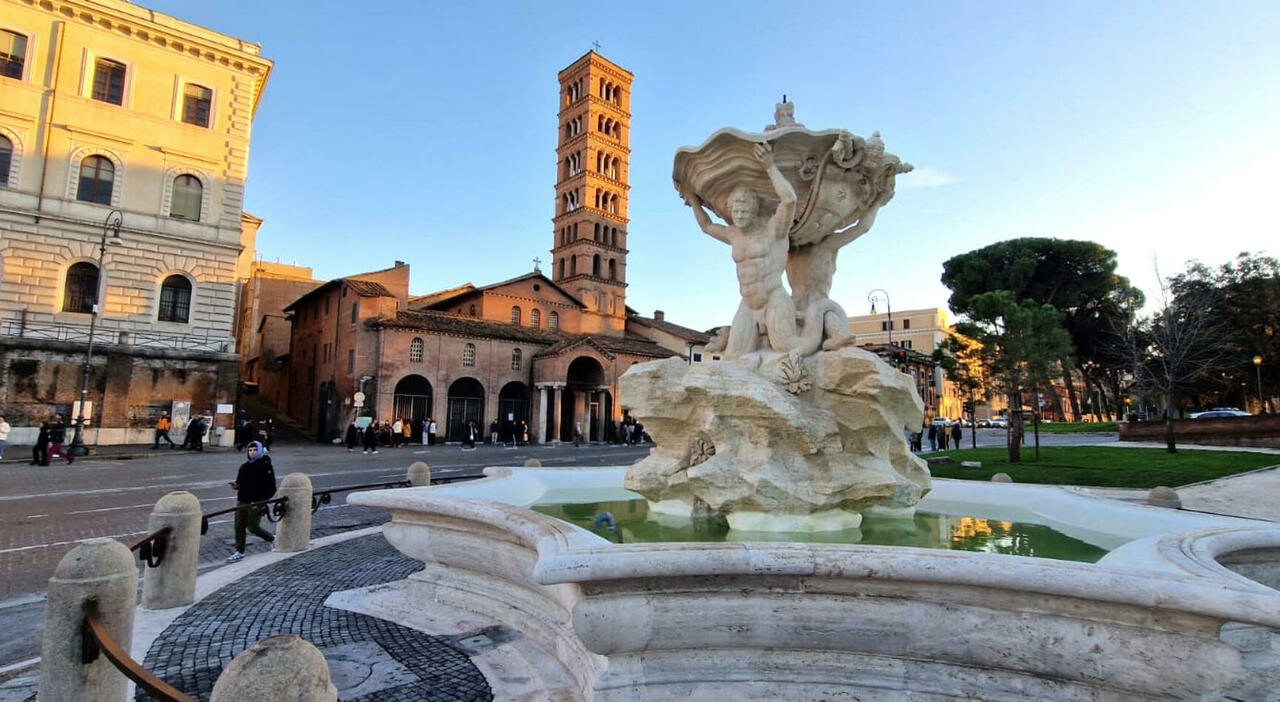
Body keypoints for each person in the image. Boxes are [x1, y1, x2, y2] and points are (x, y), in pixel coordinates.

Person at [682, 142, 799, 359]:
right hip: (747, 303)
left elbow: (790, 200)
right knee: (732, 357)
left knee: (787, 348)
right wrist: (693, 200)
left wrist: (770, 166)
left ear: (754, 210)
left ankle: (817, 332)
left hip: (773, 297)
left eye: (744, 210)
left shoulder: (773, 229)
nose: (740, 215)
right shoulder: (734, 233)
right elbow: (707, 227)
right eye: (736, 210)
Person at [226, 440, 276, 562]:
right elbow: (241, 482)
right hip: (242, 500)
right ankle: (239, 551)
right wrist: (236, 486)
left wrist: (261, 502)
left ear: (259, 451)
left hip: (256, 503)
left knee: (253, 527)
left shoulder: (265, 465)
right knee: (239, 526)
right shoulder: (244, 466)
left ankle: (273, 539)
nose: (252, 452)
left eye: (254, 450)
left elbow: (271, 487)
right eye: (250, 450)